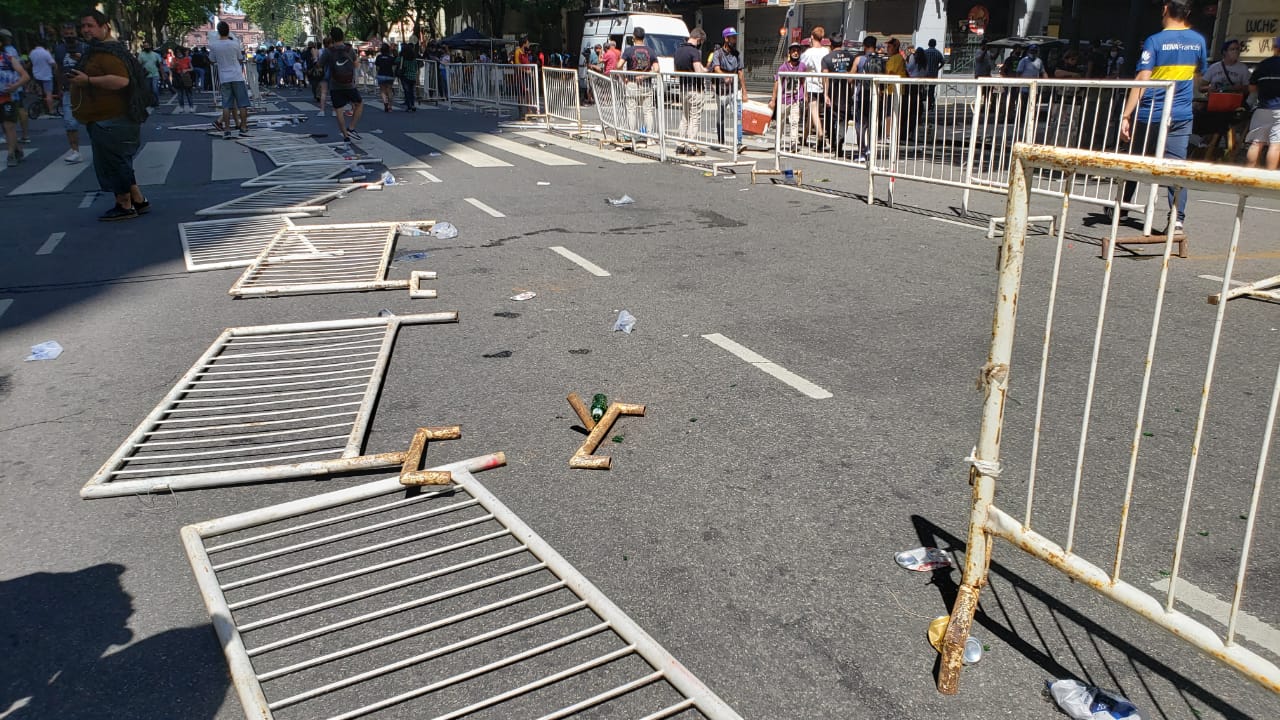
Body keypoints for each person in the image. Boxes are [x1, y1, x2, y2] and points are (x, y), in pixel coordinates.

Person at [1119, 0, 1206, 233]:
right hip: (1181, 113)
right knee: (1177, 167)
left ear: (1165, 10)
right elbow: (1199, 75)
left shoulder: (1155, 41)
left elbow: (1142, 79)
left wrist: (1126, 115)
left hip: (1152, 112)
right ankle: (1177, 219)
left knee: (1136, 160)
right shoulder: (1198, 41)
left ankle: (1123, 206)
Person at [68, 10, 148, 220]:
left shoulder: (108, 52)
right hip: (106, 118)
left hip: (111, 119)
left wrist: (88, 81)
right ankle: (137, 199)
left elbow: (121, 81)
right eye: (83, 26)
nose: (85, 30)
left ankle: (124, 204)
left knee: (112, 163)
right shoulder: (100, 50)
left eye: (90, 25)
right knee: (119, 161)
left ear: (105, 27)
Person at [1196, 39, 1251, 161]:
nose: (1236, 52)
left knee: (1229, 127)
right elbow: (1201, 87)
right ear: (1224, 52)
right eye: (1233, 49)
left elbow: (1249, 88)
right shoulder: (1215, 67)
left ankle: (1228, 153)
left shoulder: (1242, 69)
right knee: (1209, 124)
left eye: (1238, 49)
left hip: (1233, 104)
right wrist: (1210, 88)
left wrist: (1239, 87)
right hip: (1216, 103)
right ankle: (1205, 149)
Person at [319, 27, 363, 142]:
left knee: (339, 110)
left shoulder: (328, 51)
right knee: (359, 104)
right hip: (349, 84)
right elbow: (356, 64)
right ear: (343, 36)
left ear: (331, 38)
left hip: (335, 85)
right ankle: (351, 128)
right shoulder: (349, 49)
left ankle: (345, 136)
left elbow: (319, 65)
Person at [1244, 37, 1280, 170]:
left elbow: (1252, 88)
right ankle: (1269, 178)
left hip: (1262, 108)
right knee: (1275, 145)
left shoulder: (1263, 64)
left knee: (1256, 143)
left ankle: (1248, 174)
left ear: (1275, 48)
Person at [209, 21, 249, 139]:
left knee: (226, 105)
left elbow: (211, 60)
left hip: (224, 77)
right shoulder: (235, 43)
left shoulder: (214, 45)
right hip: (237, 76)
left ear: (218, 32)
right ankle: (243, 127)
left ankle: (227, 129)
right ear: (228, 30)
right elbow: (240, 58)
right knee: (242, 104)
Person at [710, 27, 747, 151]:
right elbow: (716, 68)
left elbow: (740, 72)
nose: (734, 40)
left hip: (734, 90)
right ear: (726, 39)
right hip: (721, 90)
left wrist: (744, 91)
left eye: (735, 37)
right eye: (732, 37)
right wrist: (724, 76)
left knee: (738, 116)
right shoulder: (718, 53)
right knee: (721, 116)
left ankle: (738, 142)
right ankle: (721, 142)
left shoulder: (737, 53)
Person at [621, 27, 659, 144]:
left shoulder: (628, 51)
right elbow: (657, 69)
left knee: (631, 110)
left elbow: (618, 65)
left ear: (633, 37)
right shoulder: (651, 51)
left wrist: (624, 78)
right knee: (647, 111)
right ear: (644, 37)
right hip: (646, 84)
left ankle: (632, 136)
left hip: (632, 83)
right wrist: (644, 76)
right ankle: (649, 137)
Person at [821, 33, 856, 156]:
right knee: (844, 118)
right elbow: (853, 75)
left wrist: (825, 94)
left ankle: (833, 141)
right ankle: (840, 140)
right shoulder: (851, 57)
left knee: (831, 118)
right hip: (846, 92)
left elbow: (825, 77)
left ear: (831, 44)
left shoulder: (827, 58)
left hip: (832, 92)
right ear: (842, 43)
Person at [673, 28, 707, 156]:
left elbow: (675, 72)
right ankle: (691, 146)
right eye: (701, 41)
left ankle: (680, 145)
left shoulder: (678, 50)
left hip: (683, 88)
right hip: (695, 89)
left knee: (684, 117)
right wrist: (706, 71)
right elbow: (698, 71)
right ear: (699, 39)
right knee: (695, 118)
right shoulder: (695, 52)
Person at [770, 41, 804, 152]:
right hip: (784, 99)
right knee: (781, 122)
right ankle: (778, 143)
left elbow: (804, 81)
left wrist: (804, 96)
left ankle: (793, 144)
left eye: (798, 51)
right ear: (789, 52)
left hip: (796, 99)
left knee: (794, 121)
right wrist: (773, 99)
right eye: (793, 51)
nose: (796, 53)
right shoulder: (783, 67)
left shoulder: (802, 66)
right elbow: (777, 83)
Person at [0, 35, 29, 167]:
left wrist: (15, 86)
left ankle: (10, 154)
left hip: (7, 97)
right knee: (6, 128)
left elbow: (25, 76)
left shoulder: (7, 58)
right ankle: (17, 149)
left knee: (9, 126)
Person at [799, 27, 829, 148]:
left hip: (812, 85)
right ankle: (804, 137)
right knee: (811, 113)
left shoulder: (808, 53)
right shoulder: (826, 51)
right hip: (824, 86)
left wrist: (803, 90)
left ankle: (821, 135)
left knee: (813, 111)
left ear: (812, 37)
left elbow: (802, 70)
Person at [29, 40, 56, 115]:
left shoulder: (32, 52)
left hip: (36, 76)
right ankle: (51, 110)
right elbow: (52, 63)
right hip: (46, 76)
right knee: (48, 94)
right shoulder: (46, 53)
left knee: (40, 93)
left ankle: (41, 108)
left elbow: (31, 62)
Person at [170, 46, 195, 113]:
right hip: (178, 77)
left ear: (182, 52)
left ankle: (191, 107)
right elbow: (171, 68)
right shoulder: (174, 59)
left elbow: (192, 68)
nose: (178, 53)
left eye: (179, 52)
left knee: (188, 93)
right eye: (177, 52)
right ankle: (181, 107)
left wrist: (186, 70)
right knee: (180, 94)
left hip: (186, 77)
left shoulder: (187, 59)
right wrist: (175, 64)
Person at [397, 42, 419, 112]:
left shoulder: (403, 58)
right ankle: (413, 104)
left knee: (406, 91)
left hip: (405, 76)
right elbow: (416, 68)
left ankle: (409, 105)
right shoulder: (414, 59)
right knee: (411, 91)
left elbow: (396, 61)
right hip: (413, 76)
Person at [374, 43, 395, 112]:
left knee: (382, 90)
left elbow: (377, 67)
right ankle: (390, 107)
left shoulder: (379, 57)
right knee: (389, 90)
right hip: (389, 75)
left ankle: (385, 103)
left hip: (381, 75)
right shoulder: (391, 57)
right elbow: (393, 67)